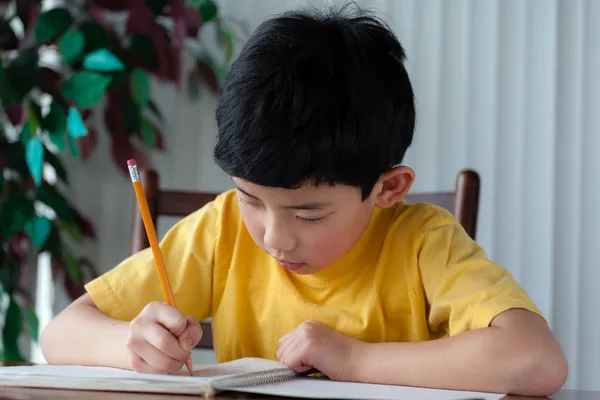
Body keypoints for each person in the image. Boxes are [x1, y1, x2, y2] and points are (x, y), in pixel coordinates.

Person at [41, 3, 567, 396]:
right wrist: (134, 346)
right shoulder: (222, 229)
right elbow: (62, 335)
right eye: (250, 198)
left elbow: (536, 360)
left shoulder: (423, 242)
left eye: (308, 212)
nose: (272, 236)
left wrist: (355, 360)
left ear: (388, 189)